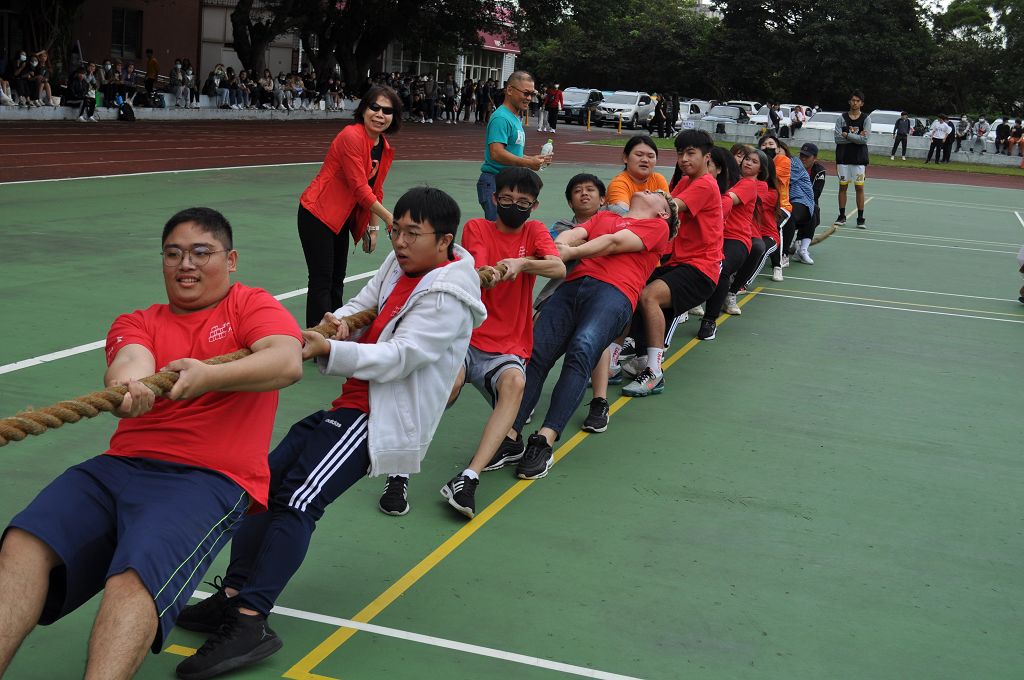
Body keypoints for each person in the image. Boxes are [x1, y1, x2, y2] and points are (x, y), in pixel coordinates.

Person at [173, 188, 485, 679]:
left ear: (445, 241)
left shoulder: (447, 297)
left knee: (297, 502)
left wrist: (328, 351)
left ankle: (252, 621)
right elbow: (365, 302)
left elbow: (401, 357)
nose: (399, 241)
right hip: (350, 407)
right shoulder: (401, 268)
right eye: (397, 230)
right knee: (261, 487)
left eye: (412, 234)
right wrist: (335, 324)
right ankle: (232, 597)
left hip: (375, 420)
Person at [0, 207, 304, 679]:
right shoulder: (139, 320)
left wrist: (209, 377)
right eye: (173, 254)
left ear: (231, 259)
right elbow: (128, 363)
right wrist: (130, 389)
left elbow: (286, 362)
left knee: (135, 576)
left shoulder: (250, 305)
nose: (186, 264)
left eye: (201, 252)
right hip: (120, 467)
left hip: (208, 478)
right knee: (24, 541)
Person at [504, 189, 675, 476]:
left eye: (656, 193)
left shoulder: (657, 227)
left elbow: (613, 243)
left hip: (615, 293)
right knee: (536, 353)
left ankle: (545, 439)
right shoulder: (605, 216)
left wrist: (571, 252)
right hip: (573, 287)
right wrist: (559, 244)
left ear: (664, 212)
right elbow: (576, 232)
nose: (648, 190)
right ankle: (510, 434)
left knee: (582, 349)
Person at [440, 168, 565, 519]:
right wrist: (495, 271)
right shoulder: (478, 228)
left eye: (523, 202)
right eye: (506, 199)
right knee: (448, 386)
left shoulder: (534, 231)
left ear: (534, 205)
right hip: (468, 337)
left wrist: (523, 263)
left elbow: (558, 268)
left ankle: (468, 478)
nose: (514, 206)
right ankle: (400, 468)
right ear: (494, 199)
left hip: (508, 346)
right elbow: (479, 265)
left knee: (516, 383)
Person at [297, 85, 401, 328]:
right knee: (322, 279)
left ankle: (333, 331)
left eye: (387, 111)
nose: (379, 114)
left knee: (336, 279)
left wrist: (372, 228)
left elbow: (375, 189)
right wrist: (388, 218)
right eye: (374, 107)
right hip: (318, 213)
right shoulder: (351, 136)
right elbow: (359, 188)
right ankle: (318, 336)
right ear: (363, 109)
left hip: (340, 219)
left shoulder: (382, 147)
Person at [533, 174, 618, 430]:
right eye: (577, 191)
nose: (584, 194)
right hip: (560, 294)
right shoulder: (560, 227)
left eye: (591, 190)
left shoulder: (615, 226)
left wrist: (579, 244)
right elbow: (550, 250)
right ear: (570, 203)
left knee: (597, 336)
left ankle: (599, 401)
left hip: (599, 295)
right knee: (536, 332)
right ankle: (528, 394)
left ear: (603, 199)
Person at [477, 71, 551, 221]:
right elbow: (496, 153)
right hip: (494, 182)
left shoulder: (513, 118)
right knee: (498, 230)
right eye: (525, 93)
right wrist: (528, 163)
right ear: (509, 90)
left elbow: (510, 152)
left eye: (532, 94)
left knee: (507, 230)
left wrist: (532, 159)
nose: (529, 98)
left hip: (505, 184)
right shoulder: (501, 118)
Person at [833, 90, 871, 229]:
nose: (855, 103)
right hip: (843, 158)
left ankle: (860, 218)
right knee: (843, 186)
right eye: (853, 100)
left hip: (859, 159)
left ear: (861, 103)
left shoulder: (866, 119)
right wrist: (856, 138)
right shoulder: (841, 118)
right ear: (849, 102)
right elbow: (837, 138)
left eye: (858, 100)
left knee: (859, 187)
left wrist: (847, 135)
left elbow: (865, 139)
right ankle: (841, 216)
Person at [605, 135, 671, 213]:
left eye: (651, 156)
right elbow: (623, 215)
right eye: (639, 155)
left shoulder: (658, 179)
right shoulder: (618, 184)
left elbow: (668, 212)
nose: (645, 160)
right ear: (625, 158)